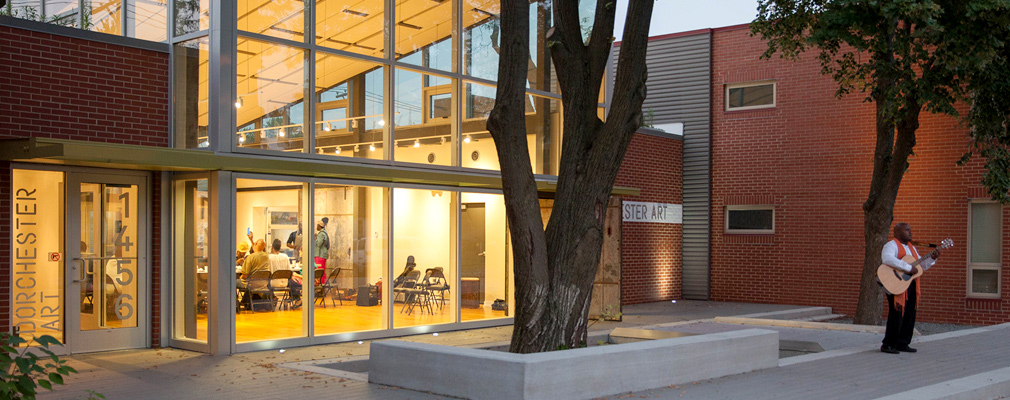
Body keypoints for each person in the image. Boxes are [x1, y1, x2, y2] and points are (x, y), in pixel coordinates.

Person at [879, 222, 941, 354]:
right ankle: (888, 344)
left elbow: (921, 266)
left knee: (910, 314)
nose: (910, 232)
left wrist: (932, 258)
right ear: (897, 233)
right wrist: (907, 267)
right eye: (907, 230)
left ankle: (903, 343)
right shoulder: (891, 245)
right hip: (895, 283)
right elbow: (887, 259)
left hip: (910, 284)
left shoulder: (912, 249)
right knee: (896, 314)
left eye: (910, 230)